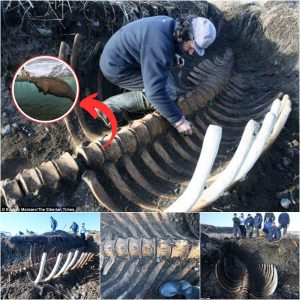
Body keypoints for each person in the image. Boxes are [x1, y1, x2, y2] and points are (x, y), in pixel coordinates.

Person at [100, 15, 216, 135]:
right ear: (186, 37)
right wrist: (178, 121)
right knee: (168, 94)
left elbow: (154, 49)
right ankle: (109, 107)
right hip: (117, 68)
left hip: (124, 58)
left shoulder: (171, 24)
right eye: (192, 47)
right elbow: (155, 92)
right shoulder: (159, 45)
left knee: (166, 85)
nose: (191, 52)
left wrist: (173, 56)